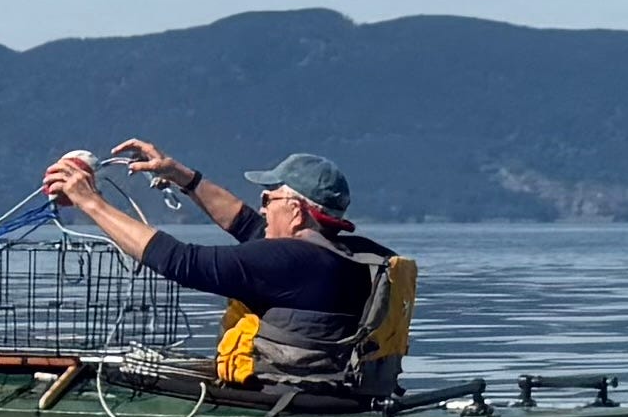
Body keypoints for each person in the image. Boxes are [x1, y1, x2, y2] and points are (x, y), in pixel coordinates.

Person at [43, 140, 409, 393]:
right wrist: (182, 176)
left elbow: (180, 262)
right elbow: (245, 223)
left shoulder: (290, 261)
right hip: (339, 387)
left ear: (296, 212)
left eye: (267, 199)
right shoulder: (340, 255)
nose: (261, 208)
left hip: (292, 397)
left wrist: (90, 203)